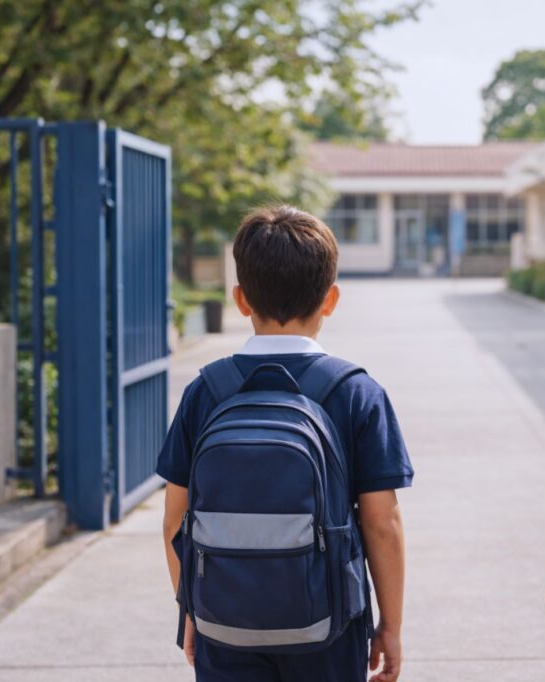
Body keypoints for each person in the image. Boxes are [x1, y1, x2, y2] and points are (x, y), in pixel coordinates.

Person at [158, 206, 413, 682]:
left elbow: (175, 519)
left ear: (240, 299)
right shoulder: (357, 393)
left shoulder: (206, 392)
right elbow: (382, 524)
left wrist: (191, 610)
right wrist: (390, 627)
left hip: (225, 625)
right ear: (331, 299)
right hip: (331, 628)